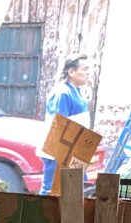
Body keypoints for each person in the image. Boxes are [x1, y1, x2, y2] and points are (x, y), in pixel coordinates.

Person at [38, 54, 92, 194]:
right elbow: (60, 126)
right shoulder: (62, 92)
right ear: (71, 71)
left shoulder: (77, 91)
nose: (88, 73)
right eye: (84, 69)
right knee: (51, 189)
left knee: (78, 189)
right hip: (58, 150)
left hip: (73, 148)